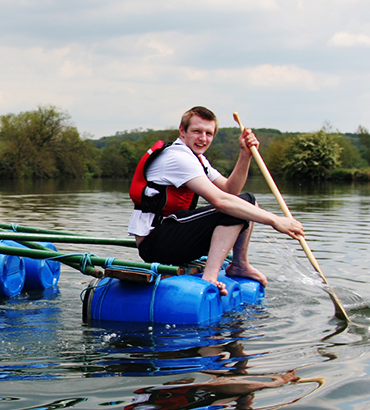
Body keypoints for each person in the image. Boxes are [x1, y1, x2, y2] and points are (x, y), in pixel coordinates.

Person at [128, 106, 304, 295]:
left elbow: (230, 190)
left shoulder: (199, 159)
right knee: (239, 205)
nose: (203, 138)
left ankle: (240, 264)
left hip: (171, 237)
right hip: (154, 243)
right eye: (197, 131)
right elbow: (221, 200)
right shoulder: (177, 157)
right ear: (182, 130)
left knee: (245, 203)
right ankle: (210, 277)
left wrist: (245, 155)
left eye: (208, 133)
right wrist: (274, 220)